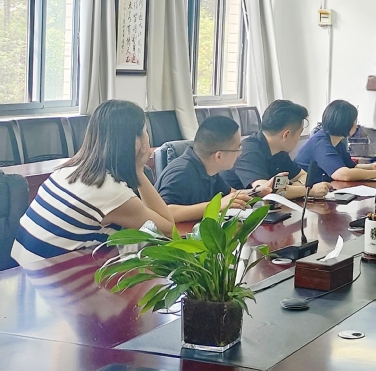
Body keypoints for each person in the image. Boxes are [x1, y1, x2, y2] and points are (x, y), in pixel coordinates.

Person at [11, 100, 178, 266]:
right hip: (50, 278)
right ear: (136, 142)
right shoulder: (109, 190)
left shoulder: (68, 170)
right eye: (144, 131)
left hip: (21, 272)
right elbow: (167, 229)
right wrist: (138, 172)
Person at [156, 116, 269, 222]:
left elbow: (232, 195)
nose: (240, 154)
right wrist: (217, 205)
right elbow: (164, 213)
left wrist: (258, 191)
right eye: (238, 149)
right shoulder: (182, 172)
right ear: (219, 156)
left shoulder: (209, 170)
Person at [221, 100, 331, 200]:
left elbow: (303, 175)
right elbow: (266, 191)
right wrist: (309, 191)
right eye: (299, 133)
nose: (298, 138)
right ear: (286, 135)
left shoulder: (279, 151)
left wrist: (293, 188)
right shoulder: (249, 151)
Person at [295, 100, 376, 182]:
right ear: (345, 123)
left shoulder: (337, 141)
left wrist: (371, 167)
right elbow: (343, 174)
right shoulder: (321, 143)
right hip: (305, 193)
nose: (356, 125)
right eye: (355, 121)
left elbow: (350, 166)